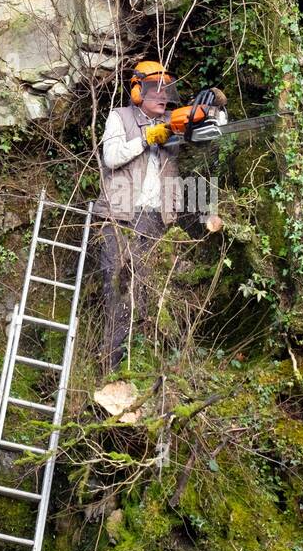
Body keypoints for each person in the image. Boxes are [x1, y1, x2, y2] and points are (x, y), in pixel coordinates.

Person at [94, 60, 226, 370]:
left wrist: (213, 107)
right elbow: (111, 157)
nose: (163, 97)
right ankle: (110, 368)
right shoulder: (120, 117)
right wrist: (148, 137)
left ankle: (145, 368)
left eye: (167, 92)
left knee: (153, 292)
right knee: (121, 292)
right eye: (156, 91)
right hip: (120, 217)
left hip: (157, 218)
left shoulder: (173, 122)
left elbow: (214, 129)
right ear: (138, 91)